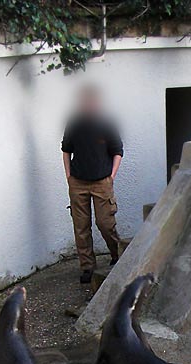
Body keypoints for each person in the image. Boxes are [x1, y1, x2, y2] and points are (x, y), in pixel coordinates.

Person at [61, 85, 124, 284]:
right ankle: (87, 267)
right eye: (86, 101)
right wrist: (69, 177)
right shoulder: (74, 123)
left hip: (102, 182)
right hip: (78, 182)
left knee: (105, 224)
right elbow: (66, 149)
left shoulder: (107, 124)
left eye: (93, 101)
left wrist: (111, 176)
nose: (90, 104)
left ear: (98, 102)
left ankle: (117, 256)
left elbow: (118, 151)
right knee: (81, 227)